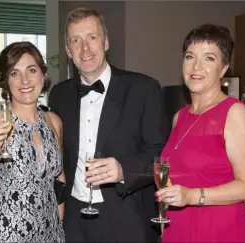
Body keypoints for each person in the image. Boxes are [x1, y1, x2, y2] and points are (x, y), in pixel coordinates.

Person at [48, 7, 168, 242]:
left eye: (92, 37)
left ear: (106, 43)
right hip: (73, 219)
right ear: (67, 51)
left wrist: (124, 169)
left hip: (126, 217)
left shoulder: (143, 89)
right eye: (76, 40)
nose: (85, 48)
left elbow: (160, 152)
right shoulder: (58, 95)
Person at [155, 24, 245, 242]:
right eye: (190, 56)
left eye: (209, 58)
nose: (196, 66)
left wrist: (193, 196)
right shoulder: (179, 117)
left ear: (223, 69)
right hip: (179, 231)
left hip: (219, 233)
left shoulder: (235, 112)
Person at [0, 41, 65, 242]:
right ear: (6, 81)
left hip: (49, 233)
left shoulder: (53, 121)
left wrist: (59, 222)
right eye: (14, 73)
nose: (24, 80)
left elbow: (58, 178)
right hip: (4, 233)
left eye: (31, 70)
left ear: (42, 74)